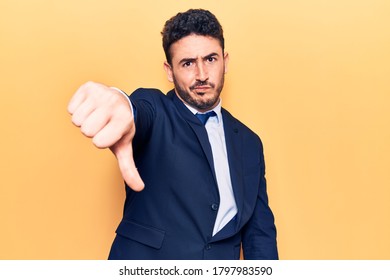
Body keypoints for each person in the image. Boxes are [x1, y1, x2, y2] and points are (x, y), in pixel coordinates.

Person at [68, 9, 278, 260]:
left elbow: (259, 233)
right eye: (187, 63)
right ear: (169, 71)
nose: (201, 74)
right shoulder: (155, 110)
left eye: (210, 59)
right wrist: (122, 103)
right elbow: (137, 110)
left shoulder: (249, 142)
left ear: (225, 61)